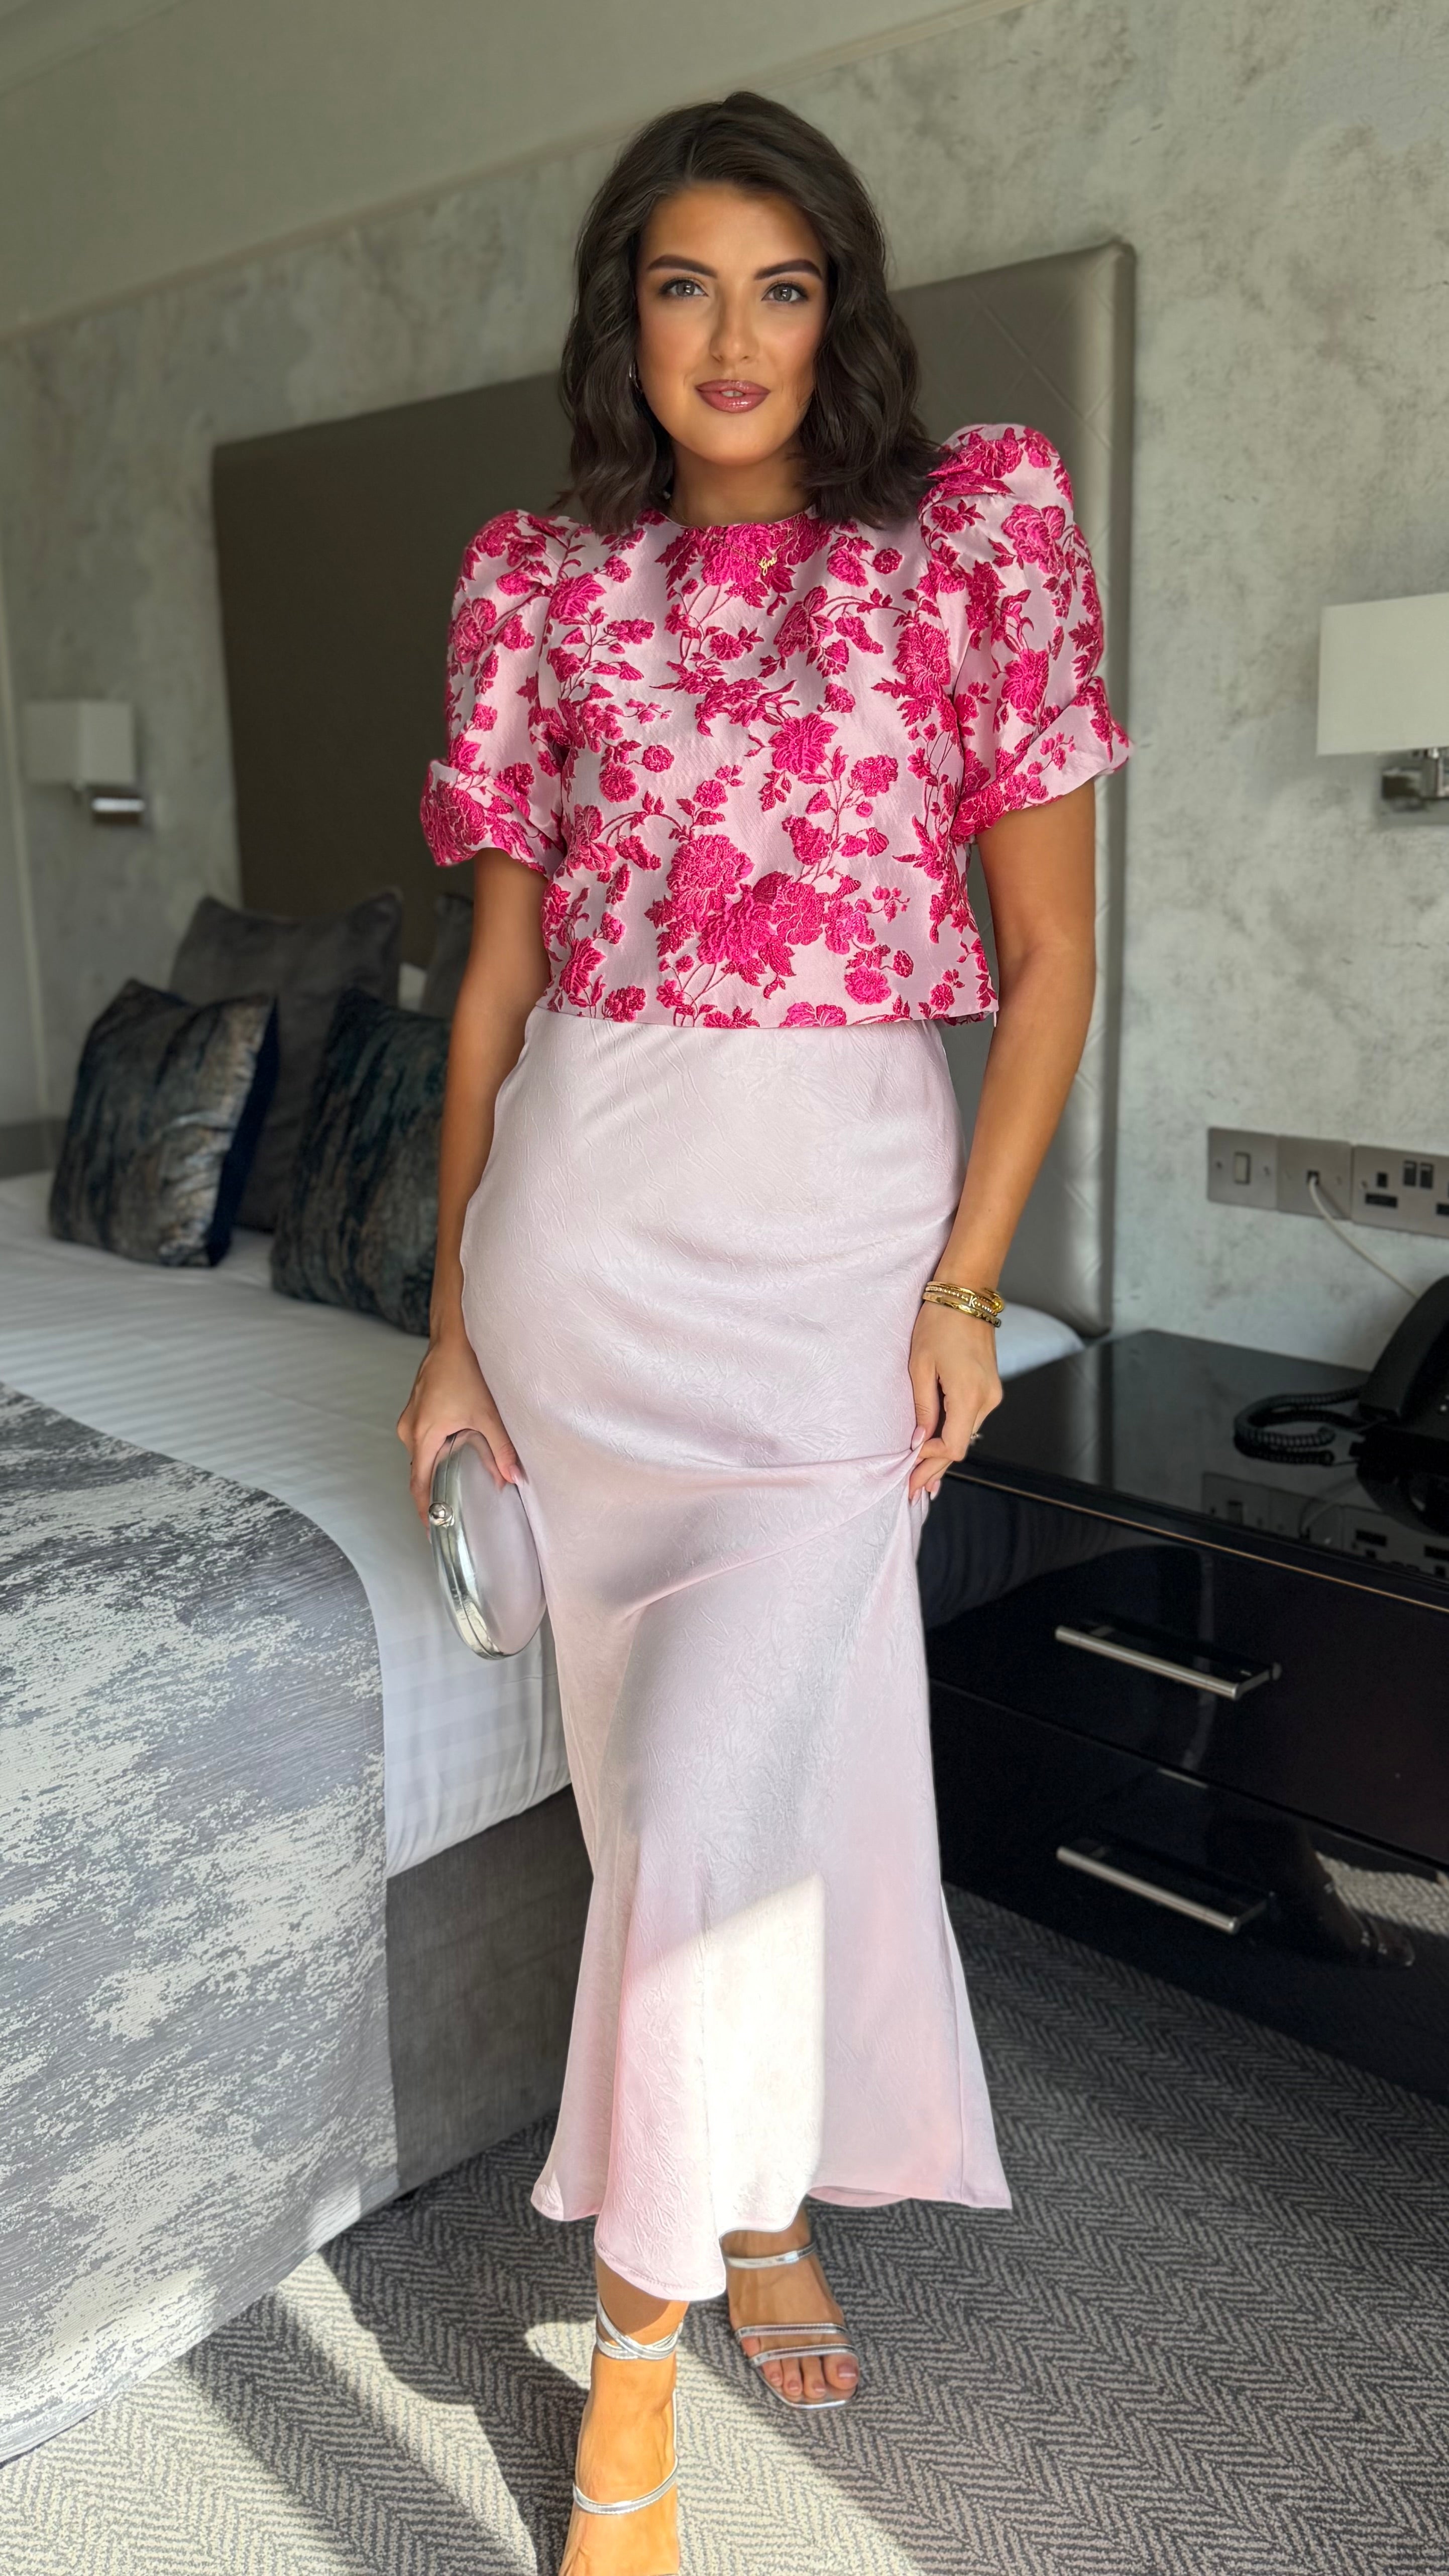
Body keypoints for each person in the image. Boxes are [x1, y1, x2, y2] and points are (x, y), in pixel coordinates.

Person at [398, 86, 1130, 2576]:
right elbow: (491, 985)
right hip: (579, 1249)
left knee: (712, 1810)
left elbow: (1048, 956)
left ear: (842, 310)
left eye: (781, 284)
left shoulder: (971, 537)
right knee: (667, 1805)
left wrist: (965, 1286)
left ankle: (628, 2389)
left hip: (834, 1255)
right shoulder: (536, 580)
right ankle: (757, 2197)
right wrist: (445, 1317)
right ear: (624, 316)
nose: (732, 338)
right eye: (683, 285)